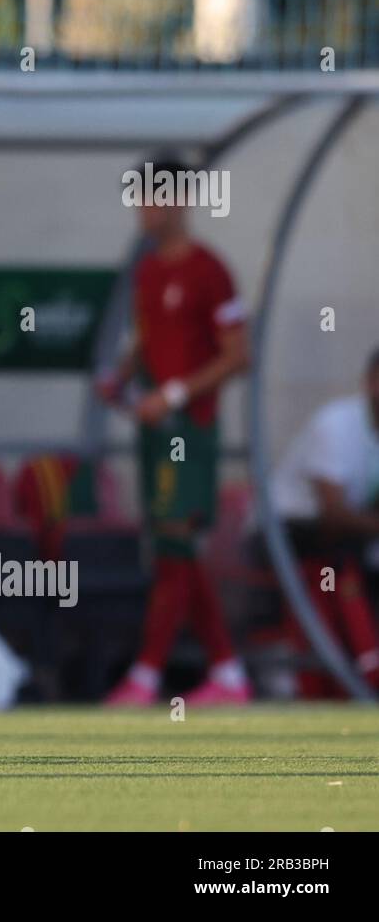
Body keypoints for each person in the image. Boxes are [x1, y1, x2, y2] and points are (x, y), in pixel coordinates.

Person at [98, 155, 252, 706]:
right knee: (173, 549)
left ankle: (146, 673)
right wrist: (121, 376)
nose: (144, 208)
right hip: (155, 431)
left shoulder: (211, 269)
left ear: (180, 200)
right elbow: (147, 338)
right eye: (139, 197)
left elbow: (239, 356)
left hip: (191, 428)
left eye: (154, 196)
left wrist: (176, 394)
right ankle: (229, 672)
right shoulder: (148, 271)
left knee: (177, 545)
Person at [268, 348, 379, 694]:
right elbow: (332, 513)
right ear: (371, 382)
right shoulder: (336, 423)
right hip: (285, 532)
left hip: (344, 541)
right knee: (339, 560)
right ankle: (366, 669)